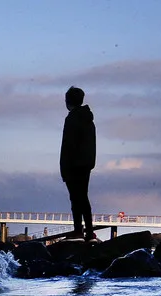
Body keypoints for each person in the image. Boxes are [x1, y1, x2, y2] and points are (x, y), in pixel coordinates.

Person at [60, 86, 96, 241]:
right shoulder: (89, 120)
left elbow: (67, 145)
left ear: (68, 102)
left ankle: (78, 231)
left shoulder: (71, 119)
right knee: (83, 197)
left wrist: (64, 168)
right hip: (86, 164)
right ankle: (89, 231)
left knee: (75, 198)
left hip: (73, 165)